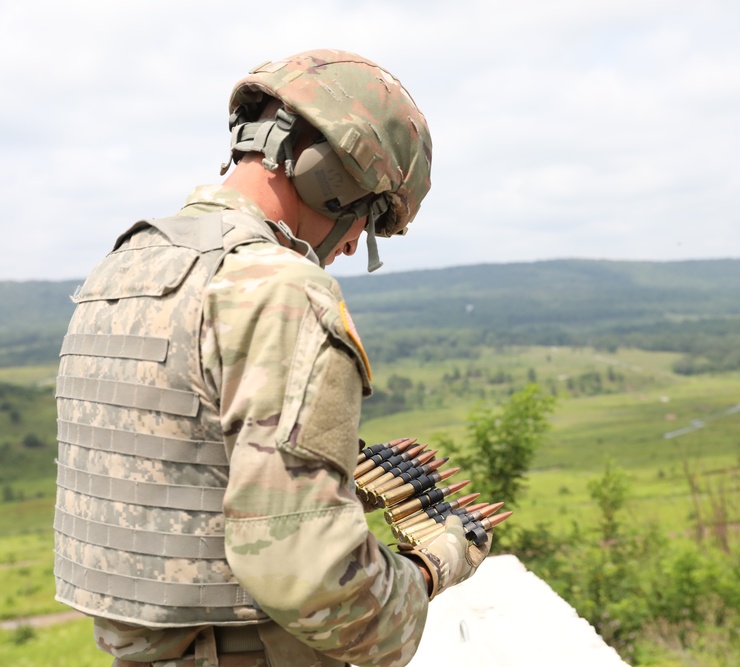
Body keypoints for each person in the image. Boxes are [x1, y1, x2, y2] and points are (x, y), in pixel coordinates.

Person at [53, 49, 490, 667]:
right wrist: (431, 566)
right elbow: (320, 588)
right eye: (368, 219)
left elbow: (174, 474)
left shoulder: (124, 267)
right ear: (337, 181)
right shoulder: (280, 288)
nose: (345, 250)